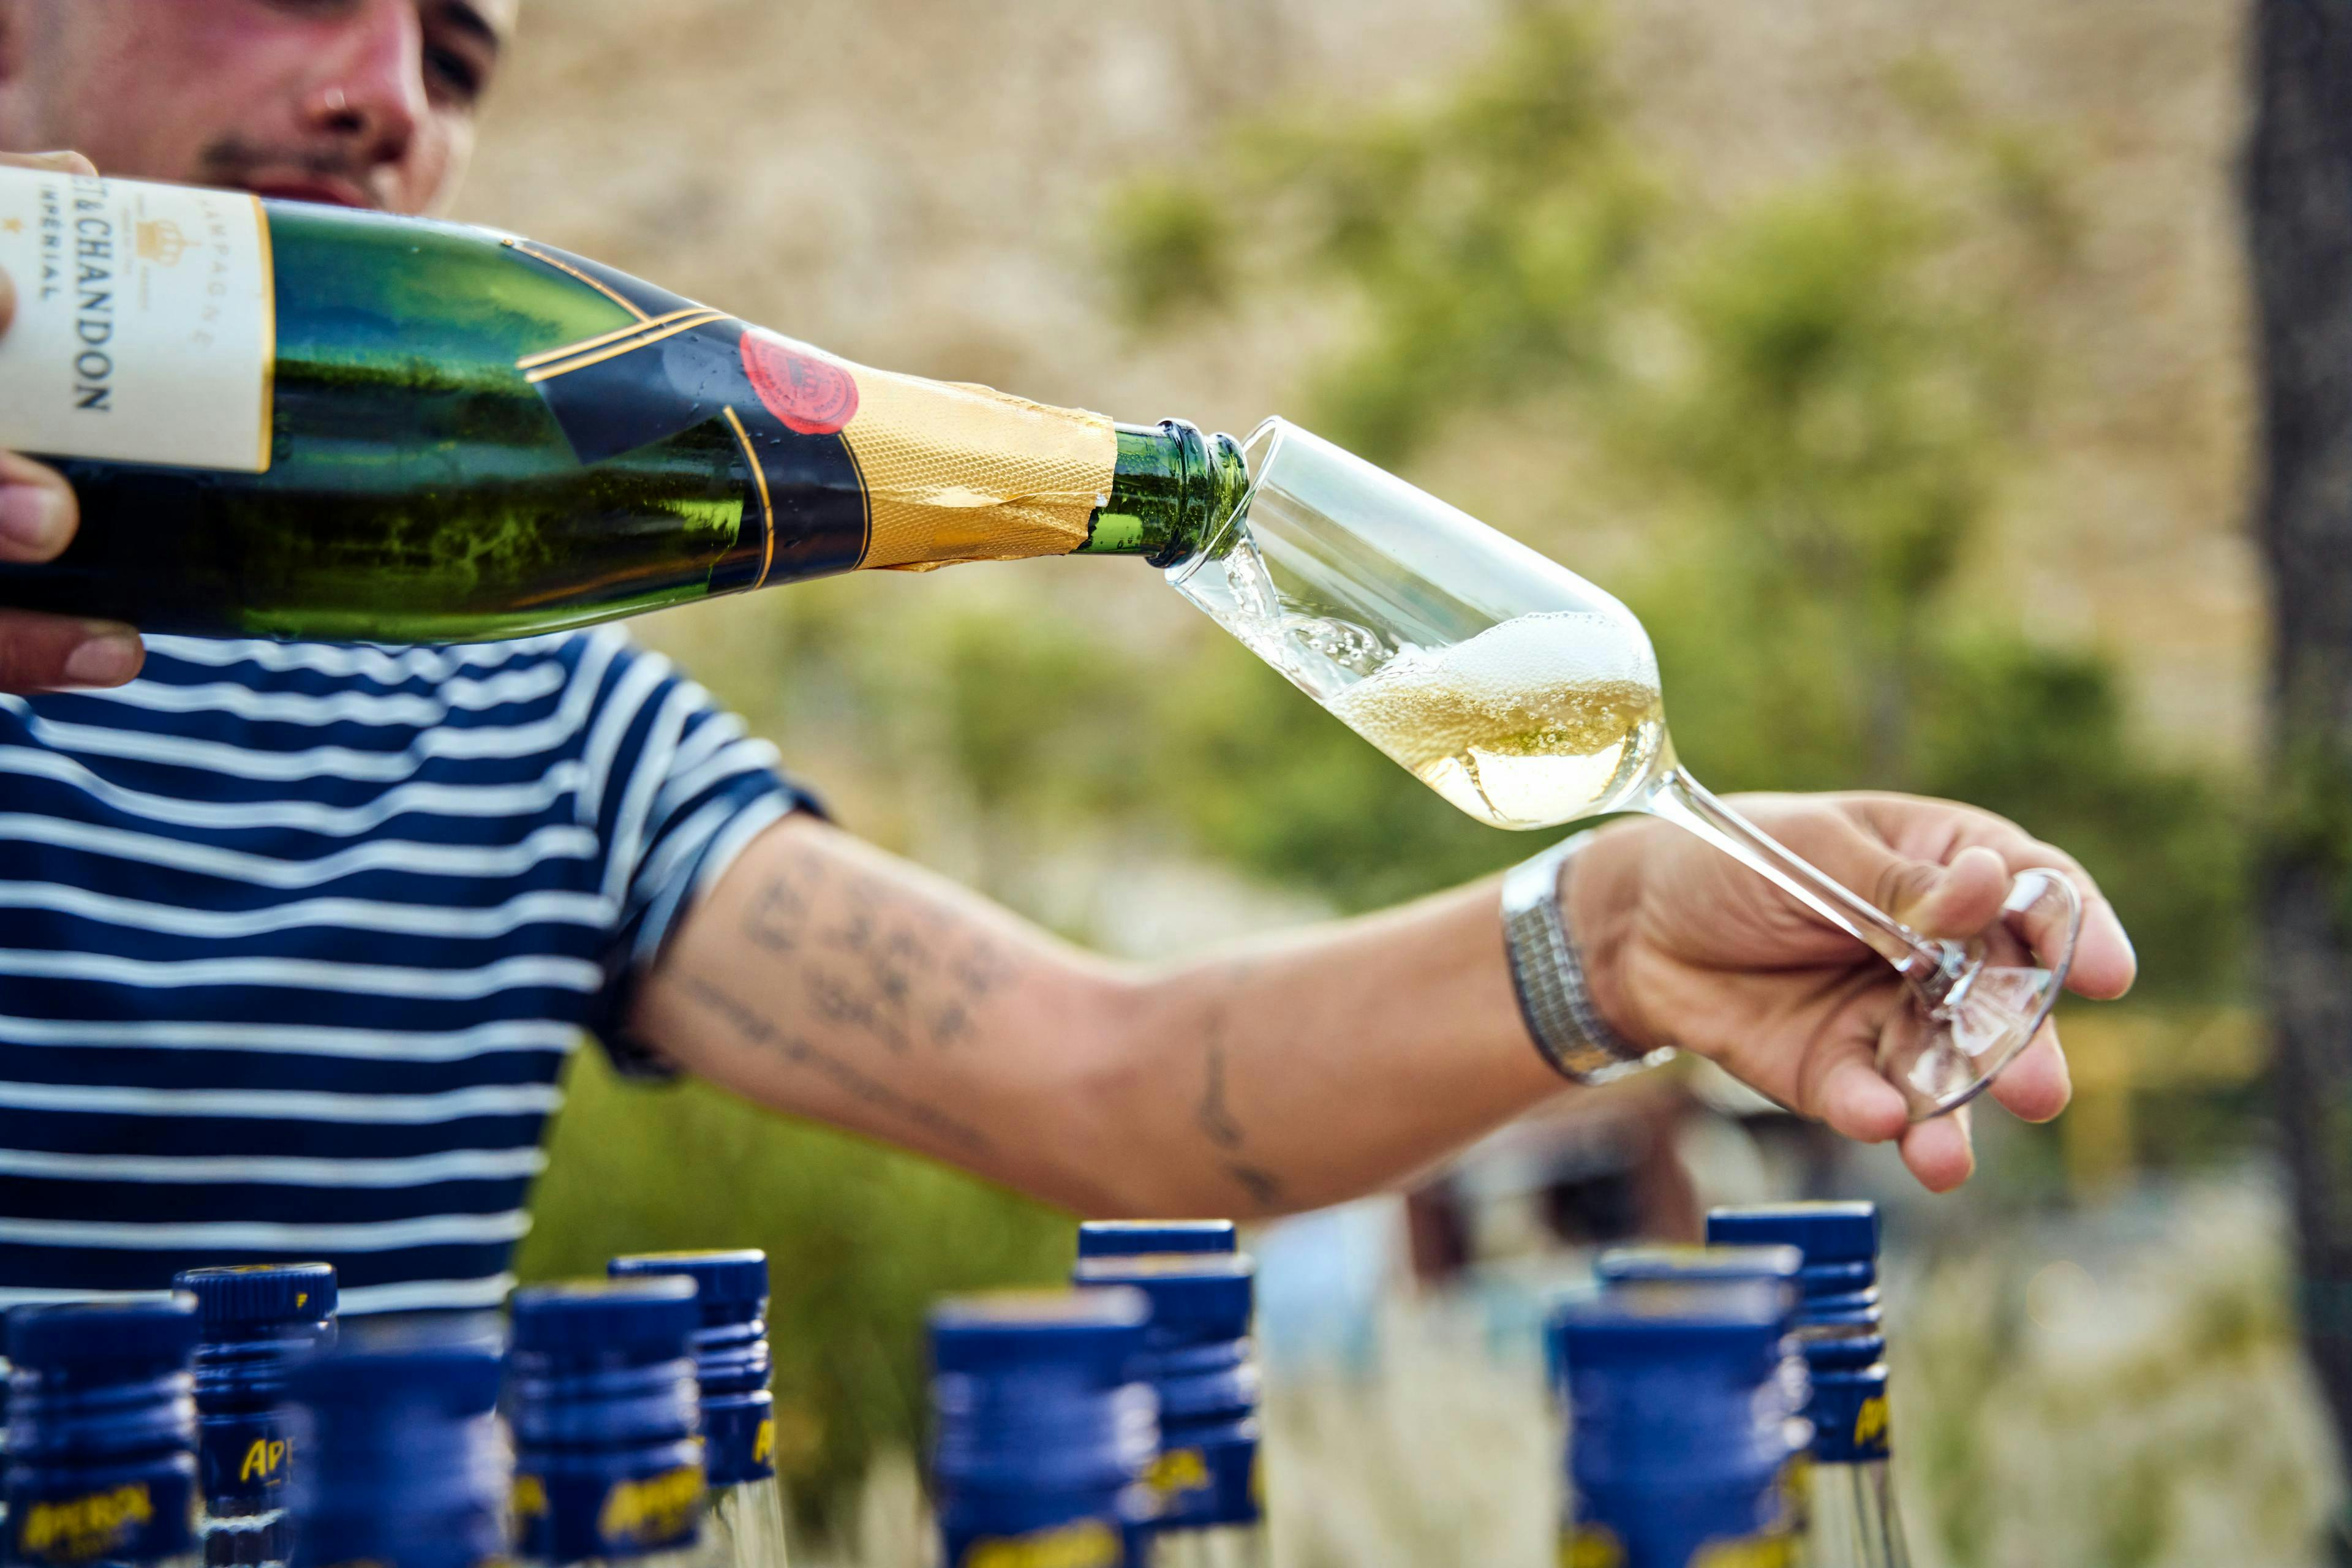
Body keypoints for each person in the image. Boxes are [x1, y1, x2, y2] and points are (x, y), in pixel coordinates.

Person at [0, 0, 2132, 1314]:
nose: (387, 91)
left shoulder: (525, 709)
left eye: (457, 53)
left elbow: (1113, 1091)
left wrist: (1623, 937)